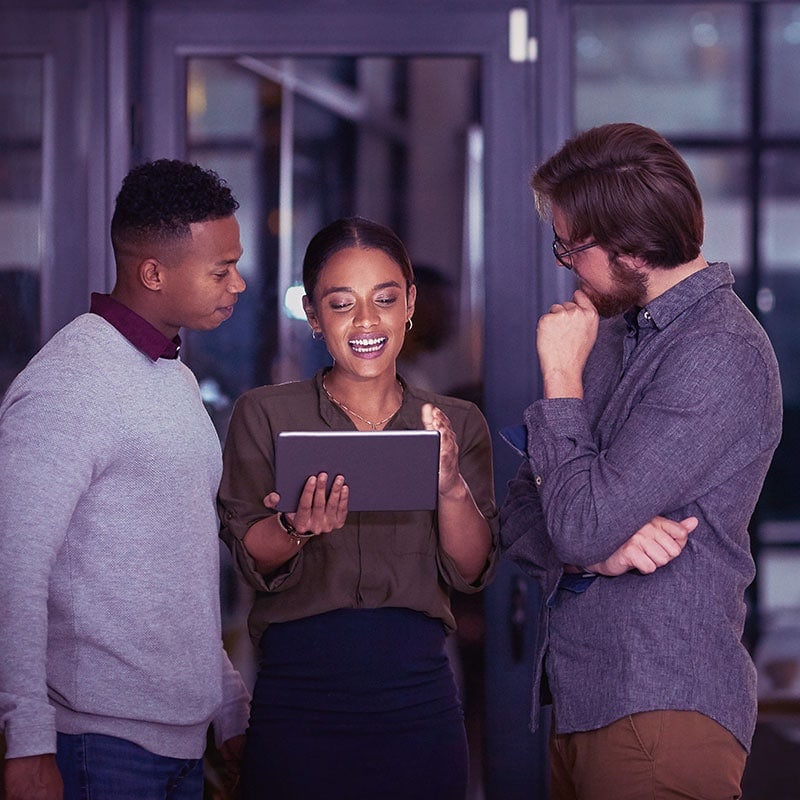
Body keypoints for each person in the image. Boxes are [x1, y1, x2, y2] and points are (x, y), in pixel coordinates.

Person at [499, 122, 782, 799]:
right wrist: (592, 552)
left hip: (660, 707)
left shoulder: (718, 351)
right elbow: (521, 509)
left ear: (628, 245)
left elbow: (577, 517)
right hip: (587, 701)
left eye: (572, 243)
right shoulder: (617, 334)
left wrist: (560, 380)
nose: (564, 260)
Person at [218, 216, 498, 800]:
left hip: (417, 700)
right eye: (342, 304)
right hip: (298, 701)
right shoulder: (265, 415)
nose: (367, 322)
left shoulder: (455, 422)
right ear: (315, 318)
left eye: (385, 299)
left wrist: (449, 488)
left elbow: (471, 570)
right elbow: (252, 558)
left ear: (409, 305)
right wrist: (294, 527)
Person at [0, 159, 252, 800]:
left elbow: (178, 567)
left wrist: (228, 704)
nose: (239, 284)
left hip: (179, 744)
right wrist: (26, 740)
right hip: (96, 747)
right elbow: (13, 567)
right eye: (220, 270)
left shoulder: (172, 375)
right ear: (152, 273)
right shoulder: (67, 385)